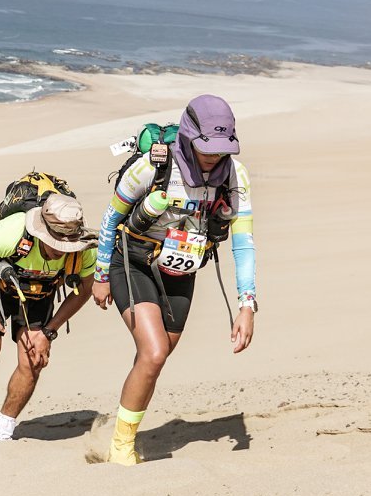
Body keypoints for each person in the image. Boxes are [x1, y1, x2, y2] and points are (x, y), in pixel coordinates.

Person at [92, 94, 256, 465]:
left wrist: (247, 304)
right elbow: (110, 219)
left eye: (221, 148)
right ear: (187, 135)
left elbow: (243, 244)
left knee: (154, 358)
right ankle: (120, 449)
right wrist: (100, 275)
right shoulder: (152, 167)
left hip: (182, 270)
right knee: (153, 353)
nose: (214, 156)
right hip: (132, 261)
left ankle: (121, 429)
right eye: (206, 148)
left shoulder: (235, 175)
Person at [0, 194, 95, 440]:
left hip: (39, 292)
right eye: (56, 244)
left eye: (67, 246)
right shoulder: (12, 232)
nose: (62, 252)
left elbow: (86, 289)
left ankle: (3, 428)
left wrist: (49, 331)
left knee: (34, 359)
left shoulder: (82, 250)